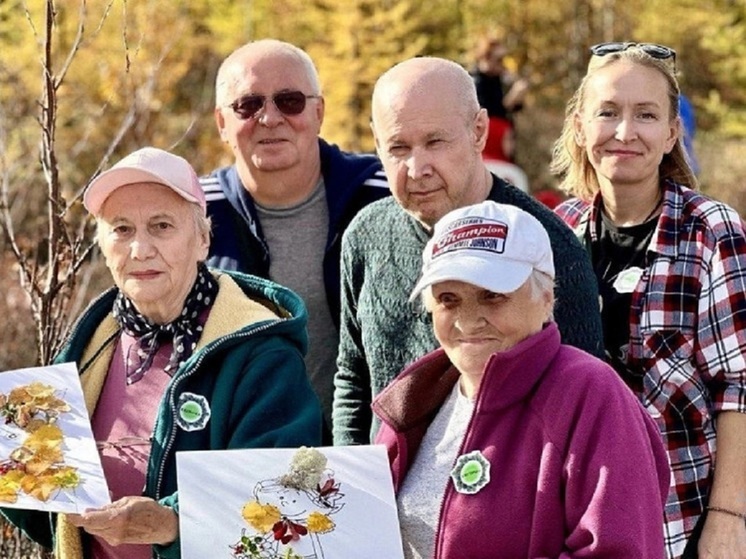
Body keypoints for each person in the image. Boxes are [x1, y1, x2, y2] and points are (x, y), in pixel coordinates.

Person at [1, 147, 322, 559]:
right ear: (102, 244)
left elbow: (284, 504)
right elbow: (47, 514)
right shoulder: (91, 341)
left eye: (161, 226)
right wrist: (15, 460)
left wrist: (172, 525)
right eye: (121, 229)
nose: (140, 249)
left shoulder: (261, 353)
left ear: (203, 239)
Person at [373, 200, 670, 558]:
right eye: (449, 300)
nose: (468, 321)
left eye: (492, 296)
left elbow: (619, 551)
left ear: (546, 298)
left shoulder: (590, 394)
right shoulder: (416, 397)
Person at [332, 57, 604, 446]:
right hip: (384, 489)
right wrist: (351, 479)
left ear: (478, 131)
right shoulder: (364, 234)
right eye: (398, 147)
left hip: (505, 494)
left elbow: (583, 404)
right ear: (376, 142)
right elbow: (353, 376)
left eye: (435, 142)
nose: (416, 167)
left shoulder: (546, 248)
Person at [550, 42, 746, 559]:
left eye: (646, 115)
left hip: (683, 515)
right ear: (579, 126)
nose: (624, 132)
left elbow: (738, 389)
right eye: (607, 113)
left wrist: (729, 518)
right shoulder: (558, 234)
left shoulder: (711, 231)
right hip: (577, 515)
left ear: (671, 133)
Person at [201, 39, 389, 435]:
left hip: (376, 454)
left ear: (318, 111)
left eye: (290, 101)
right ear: (222, 122)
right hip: (244, 457)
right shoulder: (194, 214)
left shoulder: (384, 195)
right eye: (248, 105)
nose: (270, 118)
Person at [470, 36, 529, 163]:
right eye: (499, 60)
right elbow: (488, 112)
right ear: (486, 58)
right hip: (489, 146)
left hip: (504, 141)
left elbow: (515, 109)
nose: (502, 64)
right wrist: (513, 97)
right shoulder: (476, 82)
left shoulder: (500, 79)